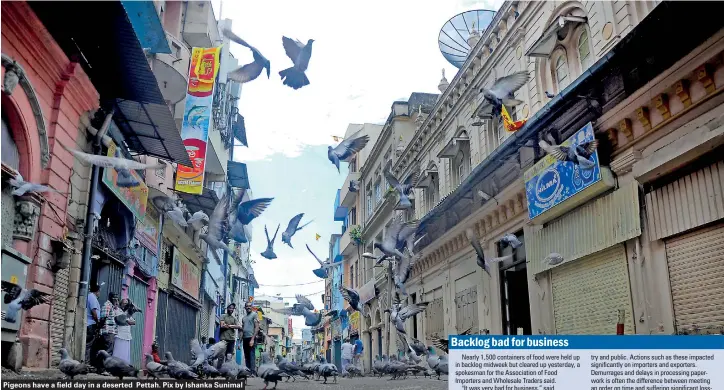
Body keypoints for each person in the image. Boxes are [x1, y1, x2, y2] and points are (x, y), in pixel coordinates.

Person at [112, 298, 136, 364]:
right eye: (124, 303)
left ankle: (124, 365)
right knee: (118, 351)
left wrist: (126, 321)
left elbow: (133, 322)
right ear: (121, 303)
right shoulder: (117, 310)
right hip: (119, 334)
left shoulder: (128, 312)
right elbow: (119, 321)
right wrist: (126, 321)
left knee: (125, 352)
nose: (125, 305)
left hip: (127, 335)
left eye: (127, 303)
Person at [240, 303, 260, 373]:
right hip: (245, 338)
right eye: (247, 306)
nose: (248, 307)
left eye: (249, 306)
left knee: (251, 355)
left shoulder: (254, 314)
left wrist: (252, 339)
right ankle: (248, 371)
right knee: (246, 355)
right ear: (245, 307)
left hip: (251, 337)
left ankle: (253, 372)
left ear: (252, 307)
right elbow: (243, 329)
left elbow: (257, 327)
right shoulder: (244, 318)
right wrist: (240, 341)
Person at [85, 284, 101, 363]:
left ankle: (86, 361)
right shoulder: (92, 297)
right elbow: (94, 312)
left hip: (90, 324)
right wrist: (98, 322)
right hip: (91, 324)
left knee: (89, 344)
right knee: (88, 344)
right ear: (97, 291)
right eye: (99, 291)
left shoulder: (90, 297)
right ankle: (86, 362)